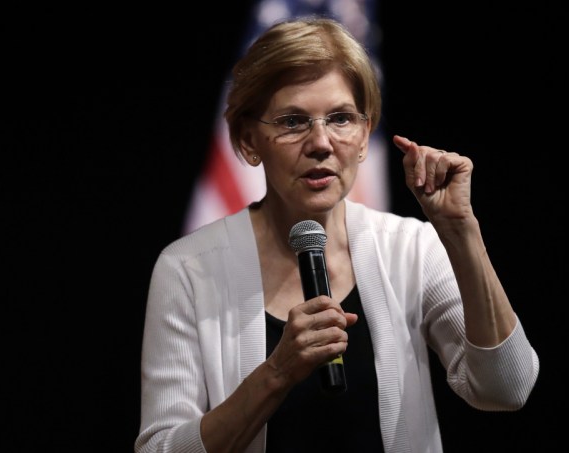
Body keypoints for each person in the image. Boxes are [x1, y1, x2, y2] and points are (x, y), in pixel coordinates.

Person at [134, 16, 539, 453]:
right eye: (293, 121)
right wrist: (277, 373)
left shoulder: (412, 248)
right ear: (249, 140)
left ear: (366, 135)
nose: (322, 142)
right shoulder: (189, 269)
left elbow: (506, 388)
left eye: (341, 118)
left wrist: (462, 232)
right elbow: (161, 447)